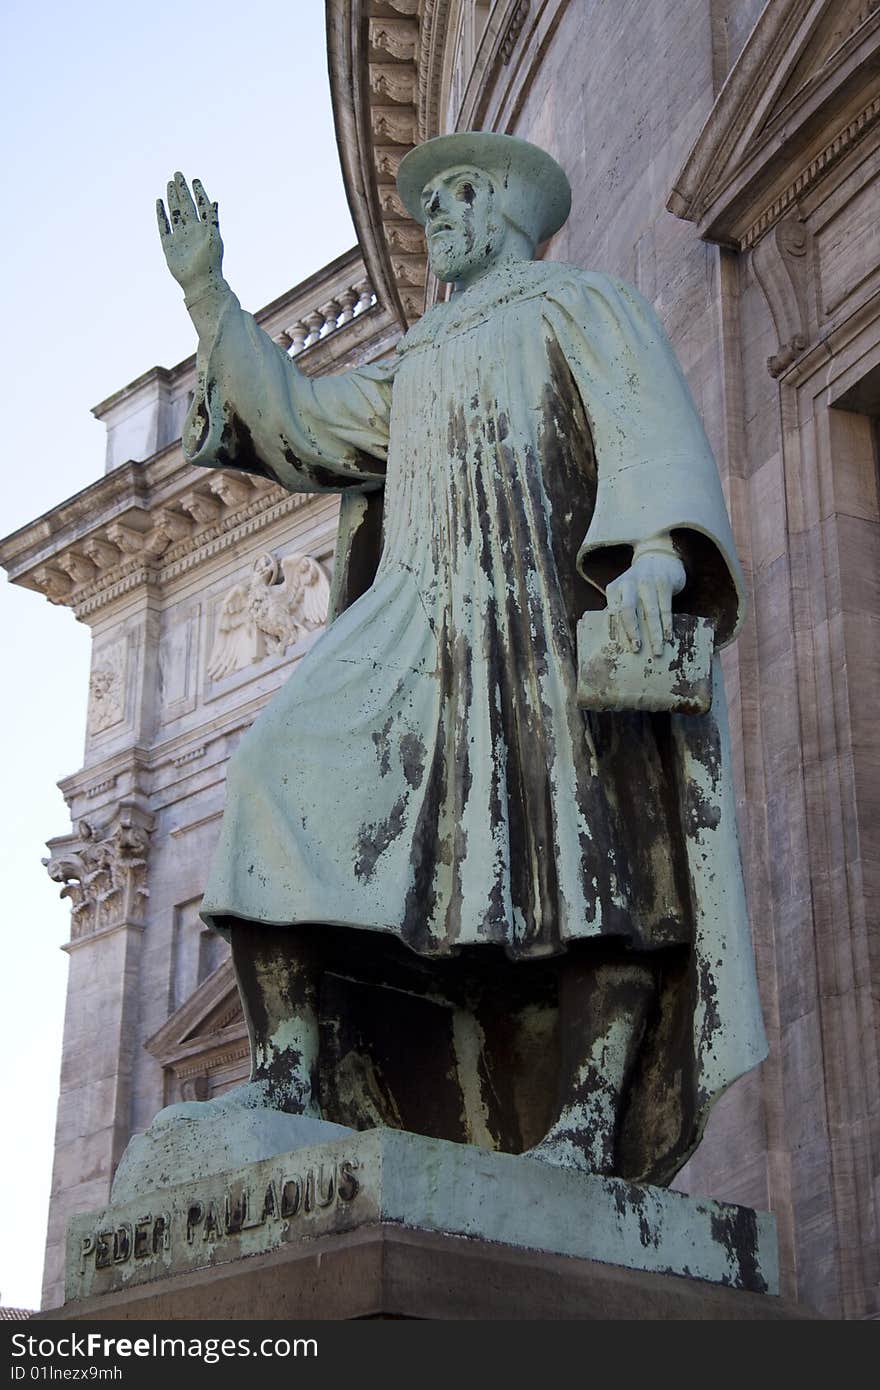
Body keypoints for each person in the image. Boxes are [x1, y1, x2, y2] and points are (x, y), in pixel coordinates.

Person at [155, 133, 766, 1182]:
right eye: (428, 200)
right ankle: (293, 1068)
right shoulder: (419, 354)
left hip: (546, 606)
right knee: (272, 774)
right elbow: (300, 419)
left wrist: (656, 560)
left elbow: (643, 429)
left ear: (516, 211)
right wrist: (211, 297)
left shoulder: (581, 305)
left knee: (593, 856)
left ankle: (587, 1113)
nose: (436, 213)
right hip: (418, 621)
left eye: (459, 194)